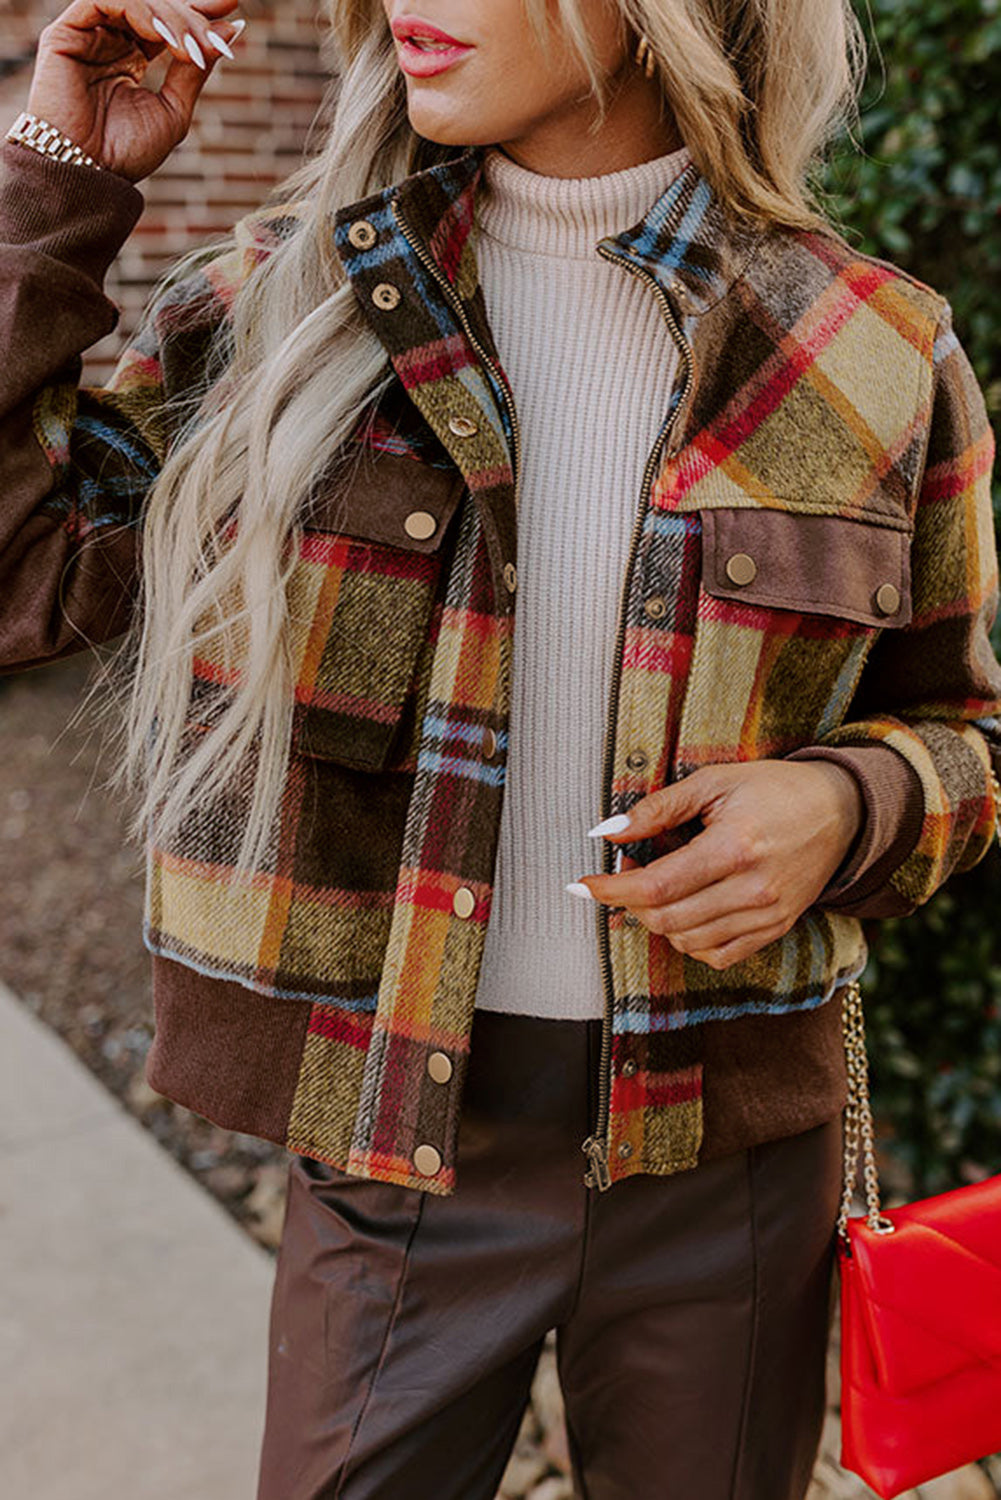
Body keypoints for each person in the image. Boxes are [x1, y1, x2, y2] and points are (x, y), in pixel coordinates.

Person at [2, 1, 1000, 1496]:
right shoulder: (275, 308)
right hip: (393, 1135)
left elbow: (963, 733)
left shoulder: (870, 345)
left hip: (724, 1160)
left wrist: (841, 802)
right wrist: (50, 171)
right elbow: (18, 574)